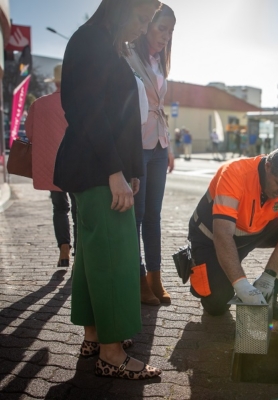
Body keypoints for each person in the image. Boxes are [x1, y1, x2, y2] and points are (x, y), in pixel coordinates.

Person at [53, 0, 162, 380]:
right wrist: (116, 170)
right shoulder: (92, 42)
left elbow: (120, 115)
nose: (144, 27)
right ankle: (111, 355)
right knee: (115, 255)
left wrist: (129, 169)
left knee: (93, 257)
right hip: (97, 168)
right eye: (141, 18)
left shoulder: (108, 43)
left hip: (100, 167)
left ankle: (95, 335)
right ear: (119, 8)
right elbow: (86, 109)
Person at [186, 147, 278, 319]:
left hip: (249, 234)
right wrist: (241, 284)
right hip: (211, 238)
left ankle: (270, 293)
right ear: (268, 166)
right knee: (217, 306)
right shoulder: (234, 173)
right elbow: (222, 234)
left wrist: (268, 278)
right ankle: (199, 261)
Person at [126, 4, 176, 306]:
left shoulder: (160, 62)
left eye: (171, 31)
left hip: (158, 144)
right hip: (136, 145)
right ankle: (139, 277)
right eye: (162, 28)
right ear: (146, 25)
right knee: (137, 215)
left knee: (154, 216)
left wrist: (168, 147)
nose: (166, 36)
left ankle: (156, 278)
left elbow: (159, 106)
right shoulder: (127, 54)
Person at [25, 64, 77, 268]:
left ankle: (64, 248)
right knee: (77, 209)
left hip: (51, 164)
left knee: (59, 208)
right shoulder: (77, 103)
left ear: (55, 82)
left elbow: (30, 135)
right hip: (74, 162)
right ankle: (79, 256)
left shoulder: (39, 104)